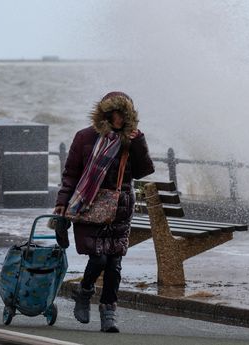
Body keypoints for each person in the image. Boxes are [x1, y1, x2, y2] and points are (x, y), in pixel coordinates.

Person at [54, 91, 154, 332]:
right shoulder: (85, 137)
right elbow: (70, 175)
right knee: (98, 257)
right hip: (87, 204)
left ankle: (109, 313)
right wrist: (61, 206)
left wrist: (138, 142)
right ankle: (84, 291)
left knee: (114, 263)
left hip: (120, 208)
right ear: (106, 114)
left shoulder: (131, 140)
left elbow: (143, 171)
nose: (120, 119)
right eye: (116, 114)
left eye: (124, 114)